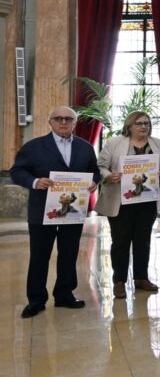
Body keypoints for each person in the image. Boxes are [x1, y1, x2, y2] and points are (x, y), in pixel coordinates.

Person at [11, 106, 100, 318]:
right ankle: (36, 299)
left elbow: (93, 170)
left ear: (74, 123)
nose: (63, 122)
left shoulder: (85, 147)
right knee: (40, 256)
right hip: (42, 210)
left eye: (68, 119)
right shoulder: (34, 146)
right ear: (50, 122)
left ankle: (64, 294)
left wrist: (94, 182)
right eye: (58, 119)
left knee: (69, 254)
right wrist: (34, 181)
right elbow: (17, 171)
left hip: (73, 210)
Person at [96, 111, 160, 299]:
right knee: (120, 241)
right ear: (129, 126)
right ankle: (119, 280)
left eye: (147, 123)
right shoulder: (114, 143)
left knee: (143, 239)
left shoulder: (158, 144)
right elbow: (100, 166)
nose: (144, 126)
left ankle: (141, 278)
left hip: (148, 201)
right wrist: (109, 176)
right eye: (139, 123)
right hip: (120, 200)